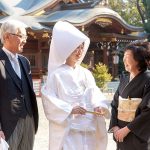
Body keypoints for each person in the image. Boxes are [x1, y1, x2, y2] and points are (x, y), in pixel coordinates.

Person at [41, 21, 110, 150]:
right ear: (67, 49)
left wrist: (98, 106)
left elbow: (94, 93)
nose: (79, 52)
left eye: (81, 47)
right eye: (75, 48)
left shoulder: (86, 73)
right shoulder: (56, 75)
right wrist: (69, 109)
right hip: (69, 131)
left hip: (88, 129)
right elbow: (49, 99)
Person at [0, 20, 39, 150]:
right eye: (21, 36)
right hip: (7, 124)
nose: (25, 40)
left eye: (26, 37)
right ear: (7, 36)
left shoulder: (25, 62)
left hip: (29, 119)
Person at [109, 44, 150, 150]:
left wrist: (127, 129)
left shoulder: (148, 79)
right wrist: (115, 127)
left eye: (127, 56)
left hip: (138, 134)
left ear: (138, 60)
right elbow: (114, 104)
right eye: (123, 57)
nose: (124, 60)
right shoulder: (124, 79)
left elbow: (148, 110)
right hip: (120, 132)